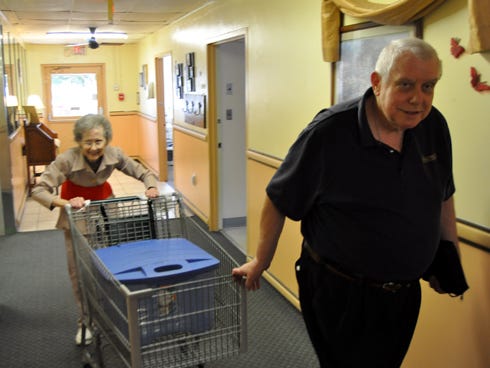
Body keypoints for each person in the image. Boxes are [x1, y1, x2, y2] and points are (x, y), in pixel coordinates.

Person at [232, 38, 459, 367]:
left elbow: (443, 194)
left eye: (428, 86)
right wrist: (261, 260)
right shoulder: (329, 133)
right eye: (406, 84)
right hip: (339, 291)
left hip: (404, 293)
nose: (418, 99)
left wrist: (447, 258)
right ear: (377, 83)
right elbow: (279, 198)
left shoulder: (433, 126)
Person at [31, 114, 160, 345]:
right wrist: (66, 203)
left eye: (98, 142)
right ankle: (85, 323)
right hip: (76, 214)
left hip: (106, 210)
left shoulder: (114, 154)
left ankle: (116, 313)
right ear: (79, 141)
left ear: (106, 140)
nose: (93, 147)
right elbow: (39, 190)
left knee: (114, 265)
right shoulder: (66, 159)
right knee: (81, 271)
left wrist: (150, 186)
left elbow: (143, 172)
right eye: (88, 142)